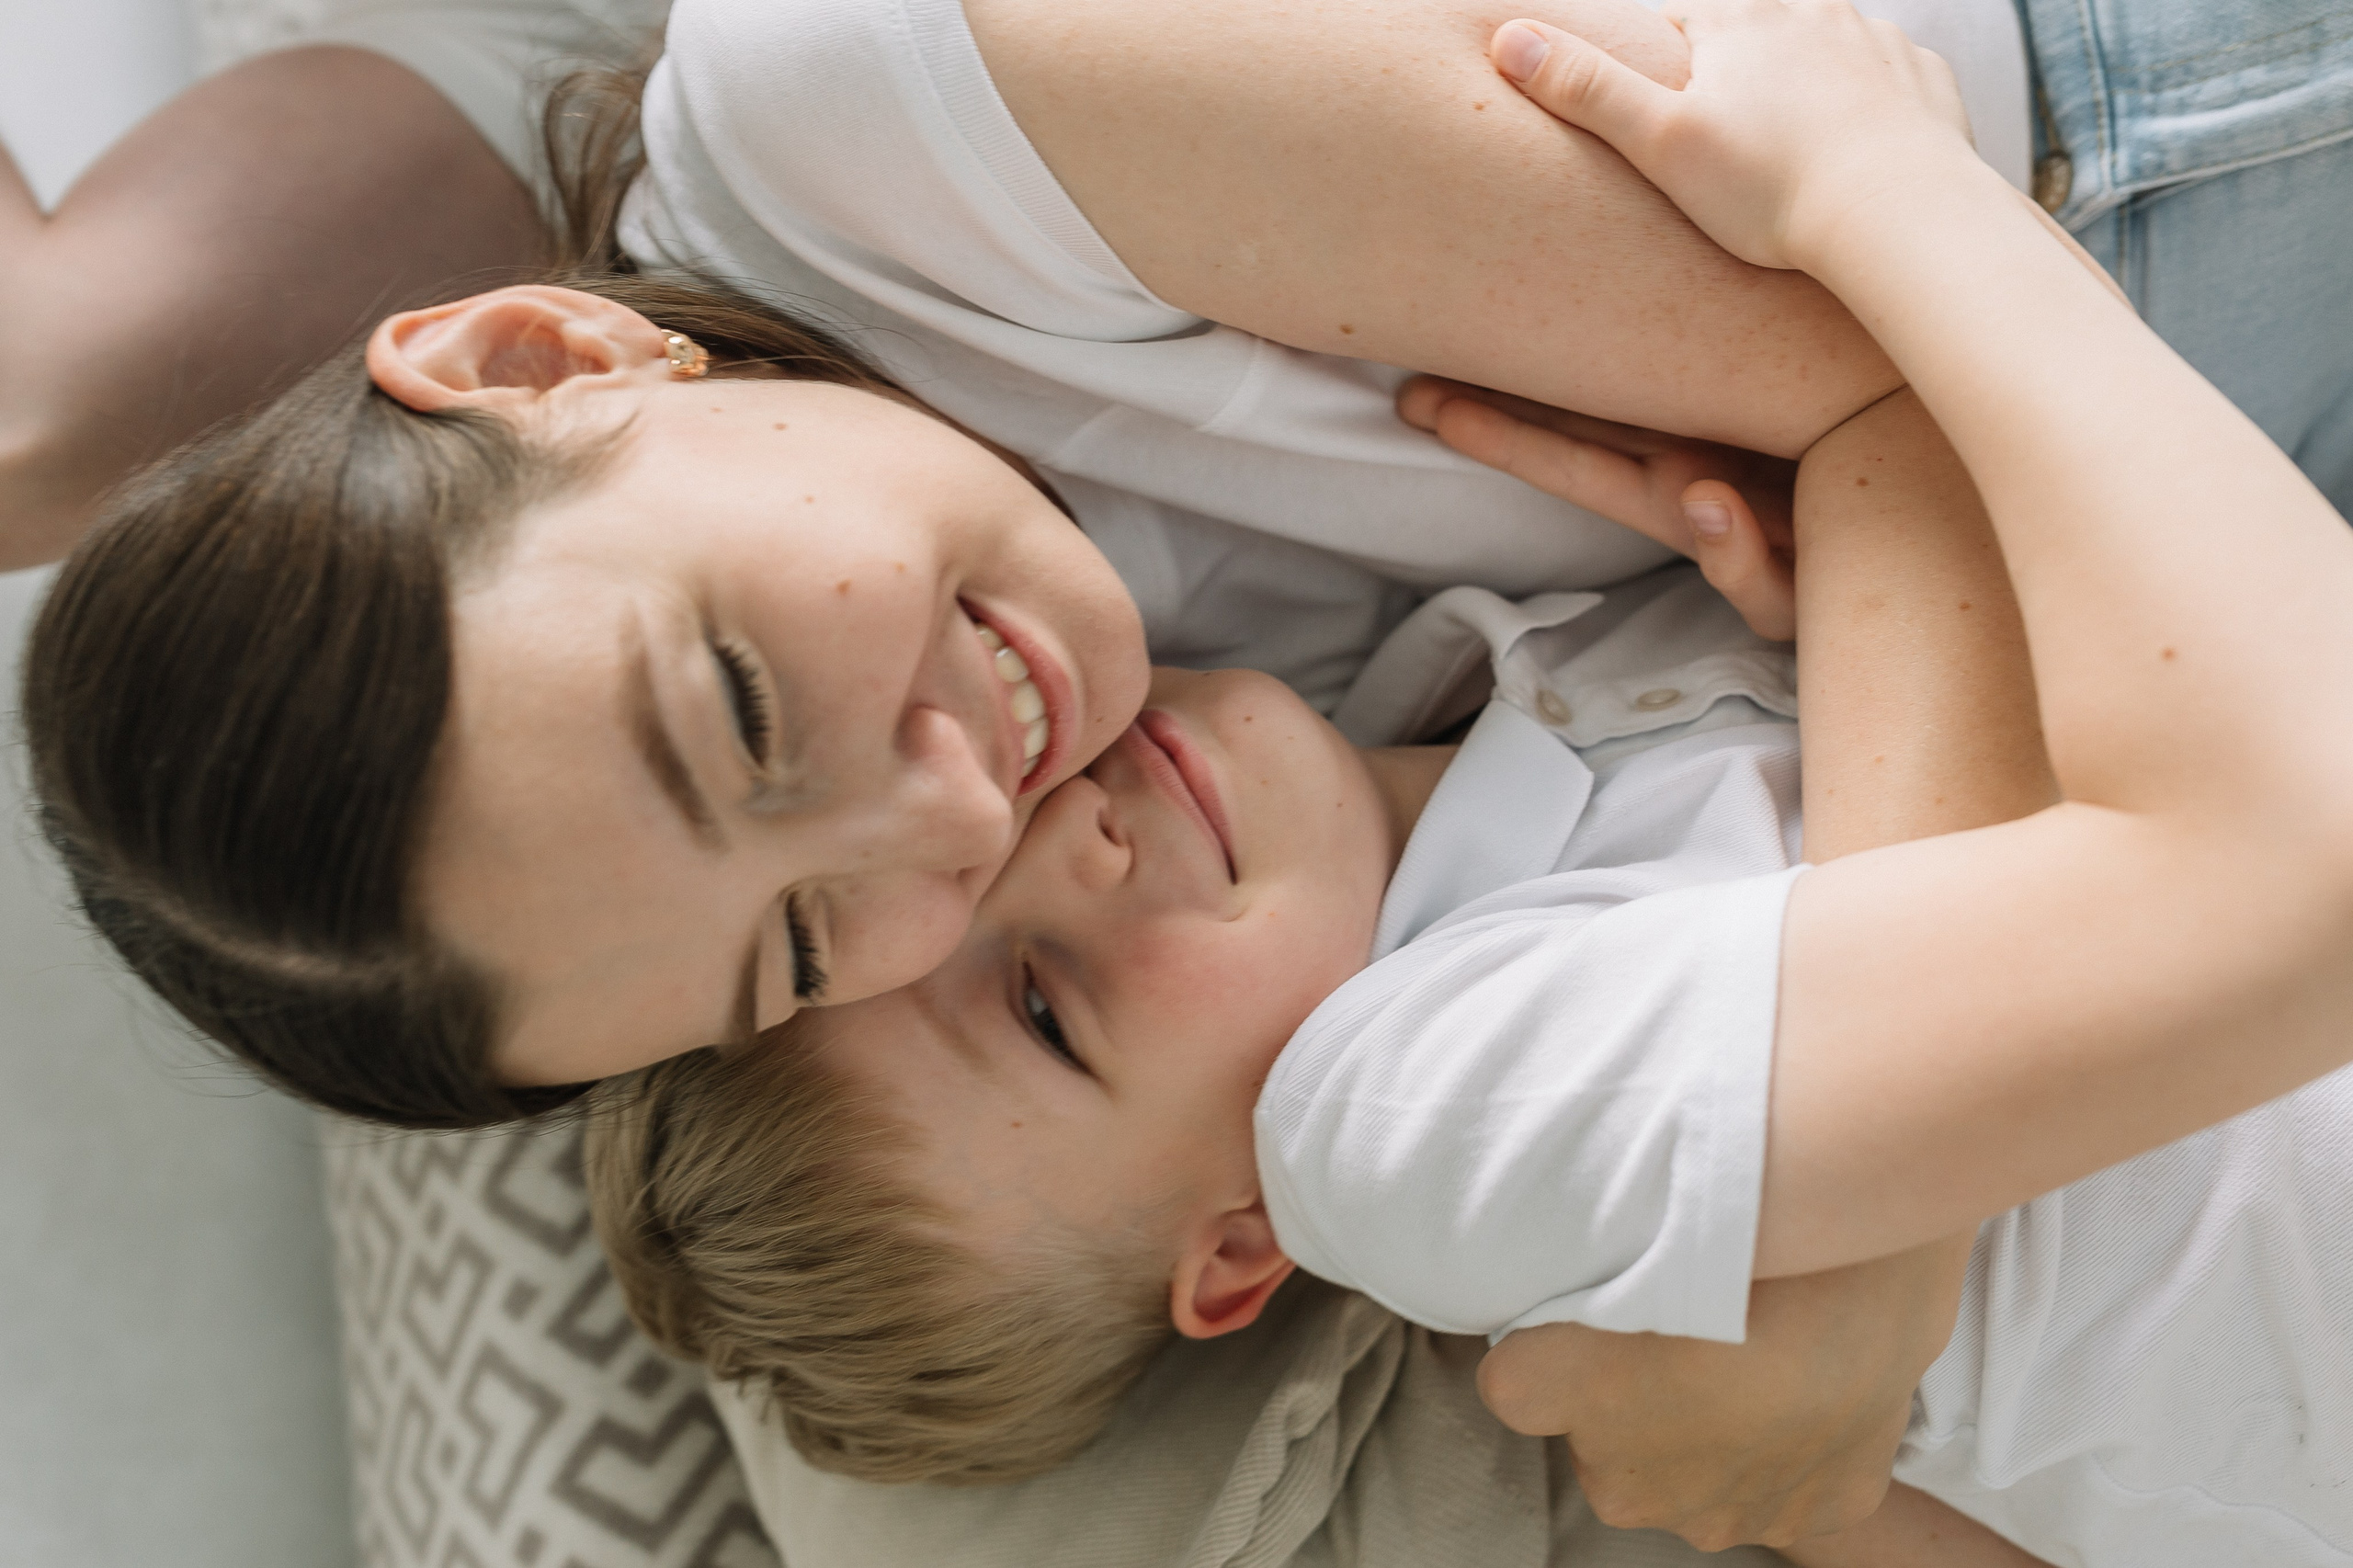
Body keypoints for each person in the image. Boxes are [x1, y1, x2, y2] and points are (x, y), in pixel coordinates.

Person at [579, 13, 2353, 1566]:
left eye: (959, 893)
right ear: (1244, 1249)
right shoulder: (1399, 1130)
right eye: (1045, 1009)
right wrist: (1889, 198)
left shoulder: (1467, 705)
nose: (1053, 830)